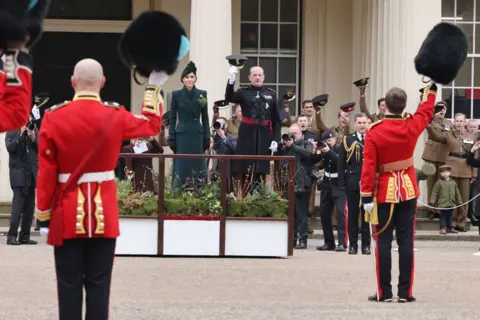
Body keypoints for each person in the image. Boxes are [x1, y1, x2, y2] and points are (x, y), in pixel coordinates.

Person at [34, 58, 167, 320]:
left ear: (73, 82)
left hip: (67, 215)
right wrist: (152, 87)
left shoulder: (54, 117)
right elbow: (151, 125)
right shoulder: (115, 115)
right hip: (104, 215)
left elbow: (46, 173)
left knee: (68, 287)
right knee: (99, 287)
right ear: (103, 83)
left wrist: (43, 214)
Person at [361, 84, 437, 303]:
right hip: (408, 189)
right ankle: (405, 292)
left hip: (383, 192)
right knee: (406, 242)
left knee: (382, 242)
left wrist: (366, 195)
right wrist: (429, 92)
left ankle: (384, 292)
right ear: (403, 106)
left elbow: (368, 166)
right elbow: (426, 111)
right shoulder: (411, 125)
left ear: (385, 105)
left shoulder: (375, 131)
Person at [225, 64, 281, 181]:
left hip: (264, 133)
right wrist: (231, 80)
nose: (257, 77)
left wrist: (276, 139)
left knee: (261, 168)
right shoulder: (244, 92)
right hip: (247, 132)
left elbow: (276, 120)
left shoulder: (271, 94)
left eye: (259, 75)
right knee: (245, 166)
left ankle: (259, 196)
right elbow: (229, 97)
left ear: (264, 77)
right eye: (254, 75)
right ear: (249, 77)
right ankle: (245, 196)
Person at [425, 113, 476, 232]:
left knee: (463, 198)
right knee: (451, 197)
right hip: (452, 168)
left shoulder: (471, 137)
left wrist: (474, 173)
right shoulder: (448, 135)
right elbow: (436, 137)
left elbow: (475, 156)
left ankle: (461, 222)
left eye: (461, 121)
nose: (459, 123)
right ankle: (451, 223)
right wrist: (428, 126)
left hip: (465, 167)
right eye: (457, 121)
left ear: (465, 123)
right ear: (454, 123)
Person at [168, 61, 210, 189]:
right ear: (182, 79)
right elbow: (173, 117)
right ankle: (178, 190)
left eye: (192, 77)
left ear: (196, 78)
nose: (189, 80)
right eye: (187, 77)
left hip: (197, 133)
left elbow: (205, 117)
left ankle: (200, 190)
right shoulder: (176, 95)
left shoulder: (202, 94)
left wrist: (207, 136)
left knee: (198, 163)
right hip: (182, 134)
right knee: (182, 164)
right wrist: (171, 135)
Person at [338, 113, 370, 255]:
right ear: (355, 124)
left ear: (368, 123)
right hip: (352, 181)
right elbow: (341, 163)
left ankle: (366, 245)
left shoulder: (372, 138)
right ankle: (353, 245)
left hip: (369, 182)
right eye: (360, 123)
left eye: (364, 123)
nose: (362, 125)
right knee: (352, 214)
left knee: (367, 215)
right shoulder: (348, 139)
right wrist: (341, 182)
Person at [277, 124, 314, 249]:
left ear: (301, 133)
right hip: (289, 182)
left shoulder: (306, 143)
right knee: (290, 213)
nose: (293, 135)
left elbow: (307, 154)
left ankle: (303, 240)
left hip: (303, 183)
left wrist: (292, 145)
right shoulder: (287, 147)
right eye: (291, 133)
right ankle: (291, 240)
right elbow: (278, 156)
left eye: (295, 133)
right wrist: (282, 144)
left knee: (302, 213)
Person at [313, 130, 347, 252]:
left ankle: (342, 242)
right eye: (326, 141)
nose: (328, 143)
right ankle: (329, 242)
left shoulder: (340, 148)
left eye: (329, 140)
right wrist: (316, 151)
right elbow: (315, 160)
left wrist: (329, 152)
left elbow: (340, 162)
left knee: (340, 213)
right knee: (324, 213)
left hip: (338, 184)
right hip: (327, 183)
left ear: (334, 139)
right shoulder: (323, 151)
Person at [5, 124, 39, 245]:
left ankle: (25, 236)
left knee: (29, 207)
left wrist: (33, 137)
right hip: (18, 175)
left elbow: (41, 148)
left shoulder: (33, 130)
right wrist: (20, 135)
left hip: (31, 174)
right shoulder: (12, 131)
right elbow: (10, 147)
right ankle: (12, 236)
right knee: (18, 207)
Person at [421, 101, 452, 205]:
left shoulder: (449, 124)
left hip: (443, 155)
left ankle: (440, 208)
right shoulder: (431, 120)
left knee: (442, 183)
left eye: (444, 108)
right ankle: (431, 208)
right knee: (431, 183)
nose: (442, 110)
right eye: (440, 108)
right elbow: (424, 117)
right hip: (431, 155)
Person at [429, 165, 461, 234]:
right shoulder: (439, 182)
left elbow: (457, 193)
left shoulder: (453, 183)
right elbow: (435, 192)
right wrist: (432, 201)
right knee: (442, 216)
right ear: (440, 173)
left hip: (450, 203)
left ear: (450, 173)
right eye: (443, 172)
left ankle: (449, 228)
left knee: (449, 216)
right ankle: (442, 228)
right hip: (442, 203)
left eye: (447, 172)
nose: (445, 173)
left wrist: (459, 201)